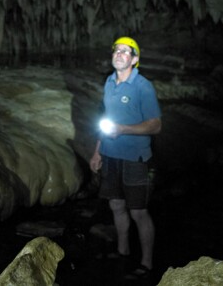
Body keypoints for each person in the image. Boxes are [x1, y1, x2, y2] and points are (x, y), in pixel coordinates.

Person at [90, 36, 162, 280]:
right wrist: (97, 151)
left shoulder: (143, 87)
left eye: (125, 52)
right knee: (116, 205)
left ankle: (147, 263)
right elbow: (105, 119)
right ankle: (122, 251)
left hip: (135, 157)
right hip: (110, 156)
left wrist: (124, 130)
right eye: (116, 51)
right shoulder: (109, 83)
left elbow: (155, 125)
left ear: (135, 59)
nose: (119, 54)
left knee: (138, 211)